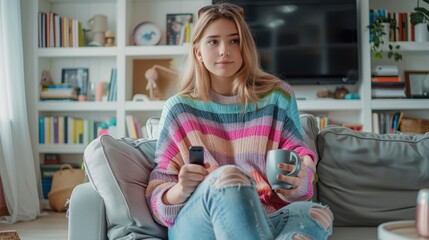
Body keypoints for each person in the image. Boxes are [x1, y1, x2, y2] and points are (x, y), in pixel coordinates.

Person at [146, 3, 333, 240]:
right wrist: (181, 188)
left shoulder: (278, 98)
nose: (225, 50)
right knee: (231, 178)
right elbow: (157, 198)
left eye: (234, 41)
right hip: (200, 223)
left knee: (317, 213)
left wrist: (298, 181)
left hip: (266, 216)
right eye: (213, 41)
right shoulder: (179, 109)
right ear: (198, 52)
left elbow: (300, 167)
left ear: (246, 48)